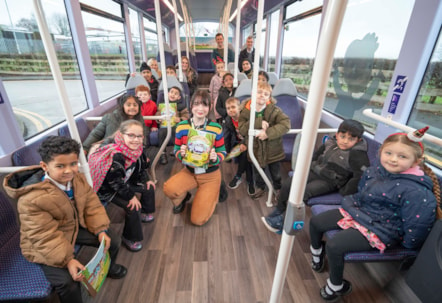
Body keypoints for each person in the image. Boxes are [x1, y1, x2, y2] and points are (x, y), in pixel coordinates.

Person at [309, 127, 440, 302]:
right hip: (362, 212)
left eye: (402, 156)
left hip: (383, 228)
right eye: (389, 153)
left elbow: (417, 224)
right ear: (381, 152)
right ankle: (317, 252)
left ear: (415, 162)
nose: (393, 159)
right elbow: (362, 193)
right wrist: (352, 204)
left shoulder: (417, 192)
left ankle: (337, 286)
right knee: (316, 222)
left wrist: (408, 248)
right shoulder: (374, 171)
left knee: (335, 246)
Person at [3, 136, 127, 303]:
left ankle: (108, 268)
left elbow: (92, 205)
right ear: (45, 166)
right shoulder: (30, 199)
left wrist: (101, 230)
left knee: (113, 239)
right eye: (60, 166)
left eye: (73, 164)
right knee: (67, 283)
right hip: (42, 244)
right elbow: (44, 236)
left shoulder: (78, 179)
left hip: (72, 226)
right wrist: (68, 260)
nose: (69, 171)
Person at [262, 119, 370, 233]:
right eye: (343, 136)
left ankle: (283, 220)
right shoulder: (330, 143)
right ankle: (280, 209)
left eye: (351, 139)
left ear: (358, 140)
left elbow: (360, 175)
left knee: (304, 192)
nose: (345, 141)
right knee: (290, 182)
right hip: (316, 171)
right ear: (337, 135)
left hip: (330, 181)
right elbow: (316, 155)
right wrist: (306, 169)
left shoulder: (357, 154)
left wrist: (346, 191)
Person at [89, 120, 156, 252]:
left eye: (139, 136)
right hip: (108, 189)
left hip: (126, 181)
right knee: (133, 207)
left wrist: (146, 179)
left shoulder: (137, 149)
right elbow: (115, 183)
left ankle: (145, 212)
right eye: (131, 135)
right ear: (121, 135)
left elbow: (141, 167)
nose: (136, 140)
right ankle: (130, 237)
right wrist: (131, 197)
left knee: (149, 187)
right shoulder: (115, 155)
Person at [163, 90, 227, 226]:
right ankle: (184, 197)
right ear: (191, 105)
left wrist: (216, 157)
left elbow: (222, 151)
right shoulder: (181, 127)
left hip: (210, 174)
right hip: (190, 171)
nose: (200, 109)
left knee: (198, 220)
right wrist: (181, 154)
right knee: (169, 189)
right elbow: (175, 149)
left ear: (209, 108)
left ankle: (213, 192)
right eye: (197, 104)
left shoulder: (216, 128)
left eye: (205, 105)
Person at [238, 82, 290, 200]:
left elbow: (286, 124)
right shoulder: (245, 112)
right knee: (257, 171)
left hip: (273, 149)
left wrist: (268, 133)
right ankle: (261, 187)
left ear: (269, 98)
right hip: (255, 148)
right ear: (252, 94)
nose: (262, 95)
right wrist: (258, 122)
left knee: (275, 172)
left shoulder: (275, 111)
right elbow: (242, 130)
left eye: (266, 94)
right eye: (259, 92)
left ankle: (278, 188)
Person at [224, 97, 254, 195]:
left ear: (239, 108)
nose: (231, 110)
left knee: (245, 151)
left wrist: (245, 143)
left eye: (233, 107)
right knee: (244, 153)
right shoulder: (228, 120)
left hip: (251, 142)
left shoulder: (246, 118)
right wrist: (227, 152)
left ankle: (238, 175)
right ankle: (250, 180)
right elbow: (226, 137)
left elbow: (251, 134)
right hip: (237, 143)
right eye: (228, 108)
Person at [156, 86, 190, 165]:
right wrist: (159, 118)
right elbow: (157, 114)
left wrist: (180, 119)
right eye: (171, 92)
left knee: (177, 132)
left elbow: (186, 116)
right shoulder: (162, 105)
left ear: (179, 97)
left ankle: (176, 149)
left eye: (176, 94)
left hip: (176, 125)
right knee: (161, 133)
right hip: (165, 126)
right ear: (167, 94)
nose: (173, 94)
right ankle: (162, 153)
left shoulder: (181, 106)